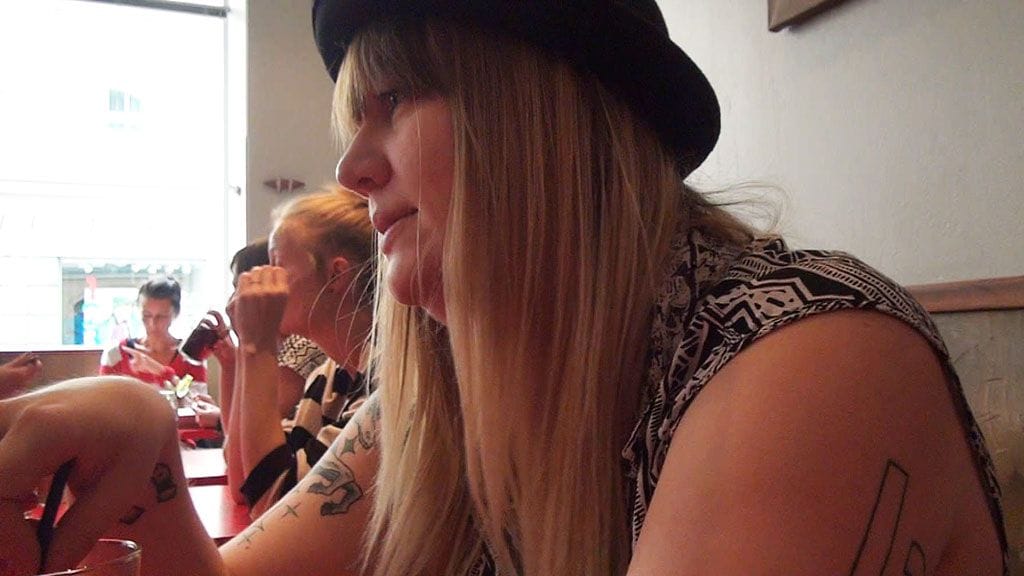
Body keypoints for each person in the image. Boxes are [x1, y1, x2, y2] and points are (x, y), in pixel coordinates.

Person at [0, 2, 1007, 575]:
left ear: (538, 114)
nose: (351, 167)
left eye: (394, 100)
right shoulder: (445, 386)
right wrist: (147, 472)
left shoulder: (801, 354)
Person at [224, 186, 374, 514]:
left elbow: (273, 503)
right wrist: (246, 345)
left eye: (277, 265)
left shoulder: (384, 384)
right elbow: (242, 485)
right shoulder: (328, 378)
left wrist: (258, 347)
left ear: (337, 274)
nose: (263, 280)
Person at [98, 276, 207, 387]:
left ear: (176, 313)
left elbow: (193, 395)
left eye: (162, 316)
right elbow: (103, 395)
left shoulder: (190, 357)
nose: (152, 323)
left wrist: (162, 372)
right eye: (146, 315)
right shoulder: (117, 354)